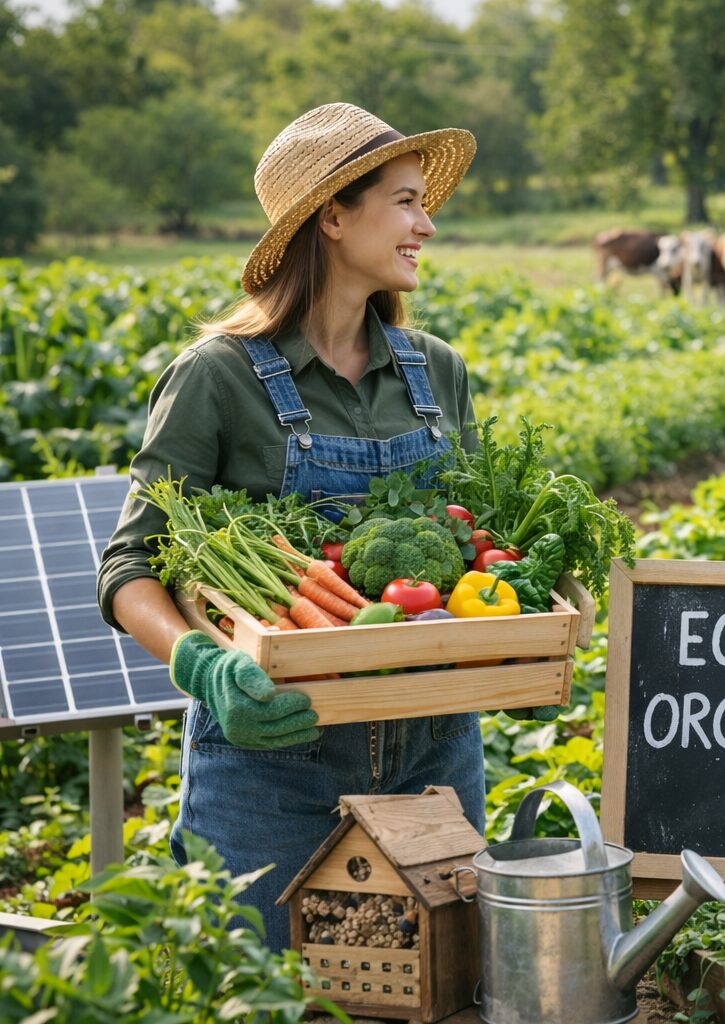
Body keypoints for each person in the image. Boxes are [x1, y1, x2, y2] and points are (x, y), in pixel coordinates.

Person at [96, 103, 484, 951]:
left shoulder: (438, 373)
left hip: (436, 752)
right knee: (258, 994)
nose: (427, 224)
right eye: (407, 201)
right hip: (272, 764)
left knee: (442, 993)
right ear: (334, 215)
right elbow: (129, 567)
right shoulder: (216, 378)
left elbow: (481, 545)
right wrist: (203, 665)